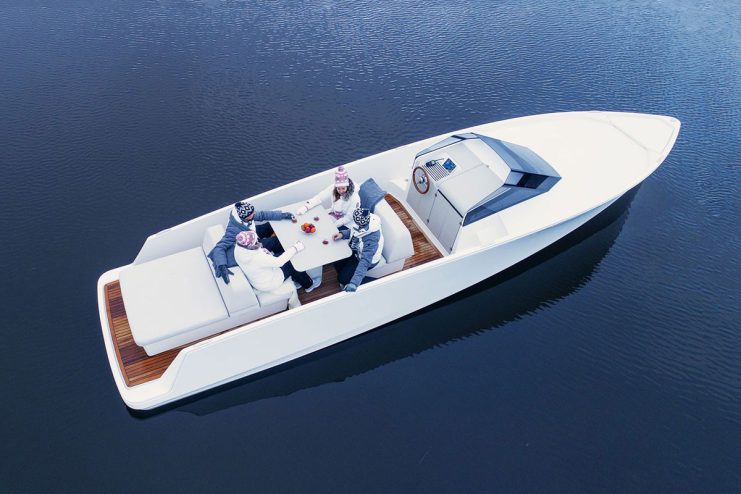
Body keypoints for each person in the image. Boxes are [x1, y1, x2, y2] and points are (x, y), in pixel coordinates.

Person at [209, 201, 294, 284]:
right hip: (249, 244)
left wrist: (283, 215)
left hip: (251, 233)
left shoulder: (246, 214)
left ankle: (281, 247)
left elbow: (262, 215)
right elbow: (219, 247)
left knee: (268, 226)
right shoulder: (233, 230)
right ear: (245, 217)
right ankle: (284, 252)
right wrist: (222, 266)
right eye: (252, 214)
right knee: (274, 241)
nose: (254, 214)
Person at [233, 231, 317, 309]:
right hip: (270, 282)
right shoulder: (257, 258)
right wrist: (295, 248)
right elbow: (279, 262)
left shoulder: (238, 249)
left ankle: (297, 278)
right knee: (292, 262)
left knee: (281, 249)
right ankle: (308, 285)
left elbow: (257, 256)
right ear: (251, 245)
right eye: (256, 242)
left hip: (258, 279)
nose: (258, 242)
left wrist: (261, 250)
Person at [332, 207, 384, 293]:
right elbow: (354, 231)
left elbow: (365, 262)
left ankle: (377, 283)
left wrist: (354, 283)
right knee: (337, 260)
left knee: (342, 278)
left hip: (365, 259)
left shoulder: (372, 239)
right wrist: (342, 234)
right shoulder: (363, 221)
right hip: (356, 251)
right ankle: (347, 279)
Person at [295, 165, 360, 231]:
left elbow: (349, 217)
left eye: (343, 188)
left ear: (347, 187)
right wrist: (306, 207)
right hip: (333, 215)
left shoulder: (355, 198)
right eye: (338, 188)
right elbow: (320, 197)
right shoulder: (333, 188)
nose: (341, 191)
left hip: (346, 223)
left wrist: (334, 225)